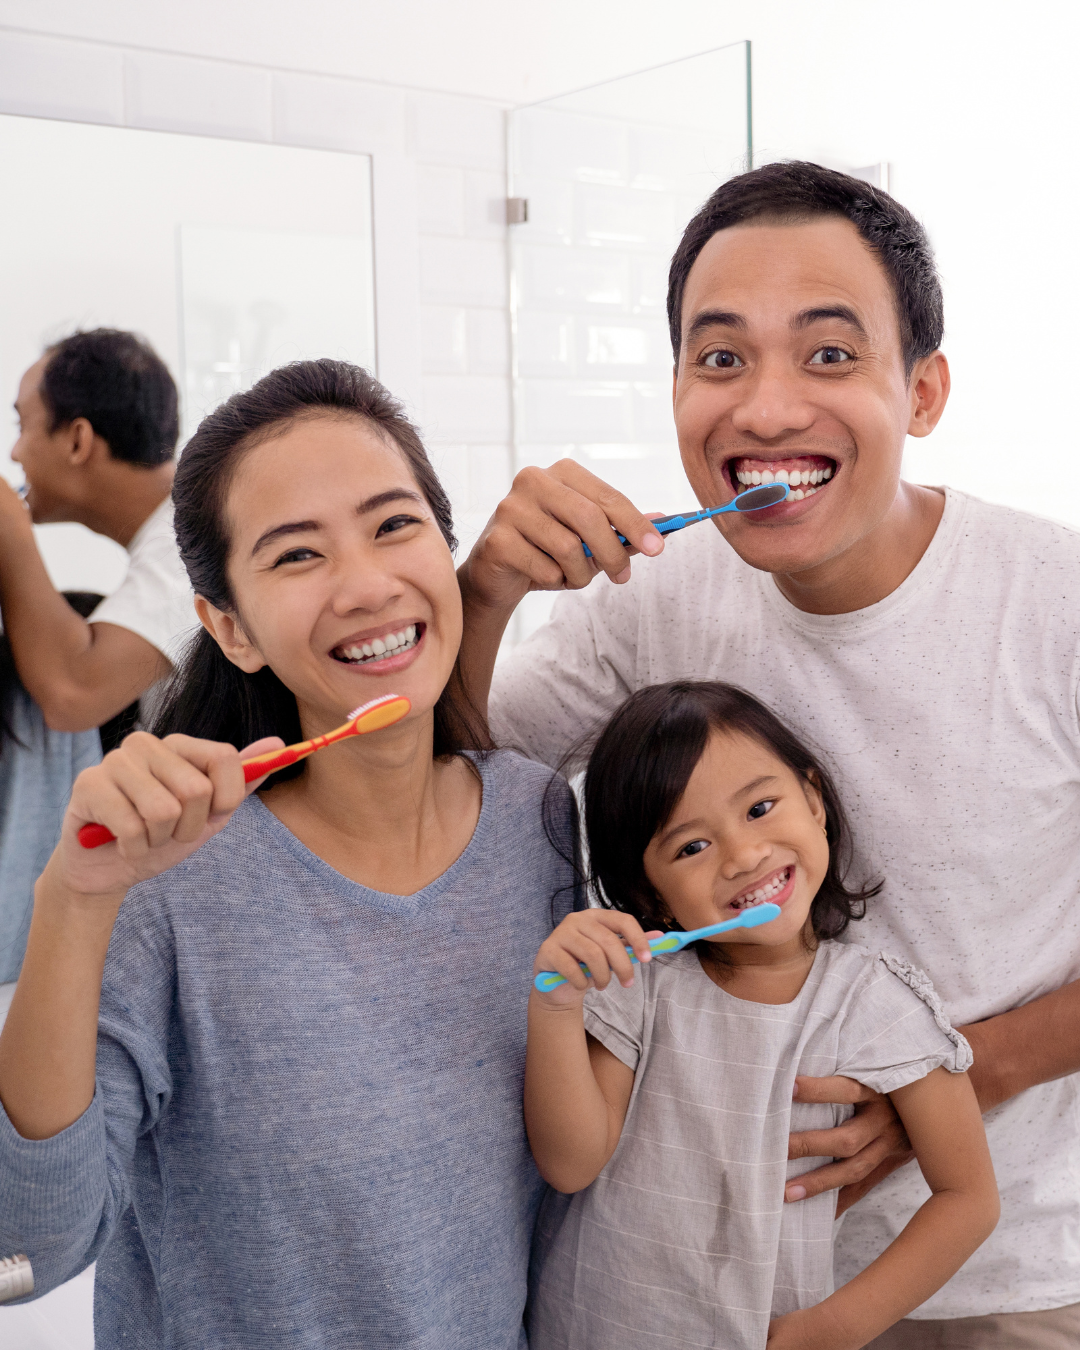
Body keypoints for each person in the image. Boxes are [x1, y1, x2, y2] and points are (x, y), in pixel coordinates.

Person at [456, 161, 1080, 1342]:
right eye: (722, 356)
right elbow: (456, 789)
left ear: (925, 389)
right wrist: (481, 592)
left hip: (1003, 1289)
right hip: (705, 1289)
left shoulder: (1054, 602)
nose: (767, 408)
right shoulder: (660, 597)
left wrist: (954, 1079)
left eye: (830, 354)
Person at [0, 359, 578, 1347]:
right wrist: (73, 899)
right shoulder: (167, 884)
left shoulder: (538, 823)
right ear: (231, 628)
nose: (365, 584)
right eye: (297, 555)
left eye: (396, 525)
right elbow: (28, 1253)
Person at [525, 681, 998, 1349]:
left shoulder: (875, 1006)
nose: (744, 856)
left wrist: (837, 1326)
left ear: (813, 801)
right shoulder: (639, 989)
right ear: (646, 894)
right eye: (691, 847)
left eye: (761, 807)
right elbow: (570, 1165)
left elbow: (968, 1197)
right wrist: (554, 1006)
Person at [1, 328, 196, 734]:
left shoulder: (190, 544)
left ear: (77, 440)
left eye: (22, 425)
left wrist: (10, 529)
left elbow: (74, 695)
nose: (14, 453)